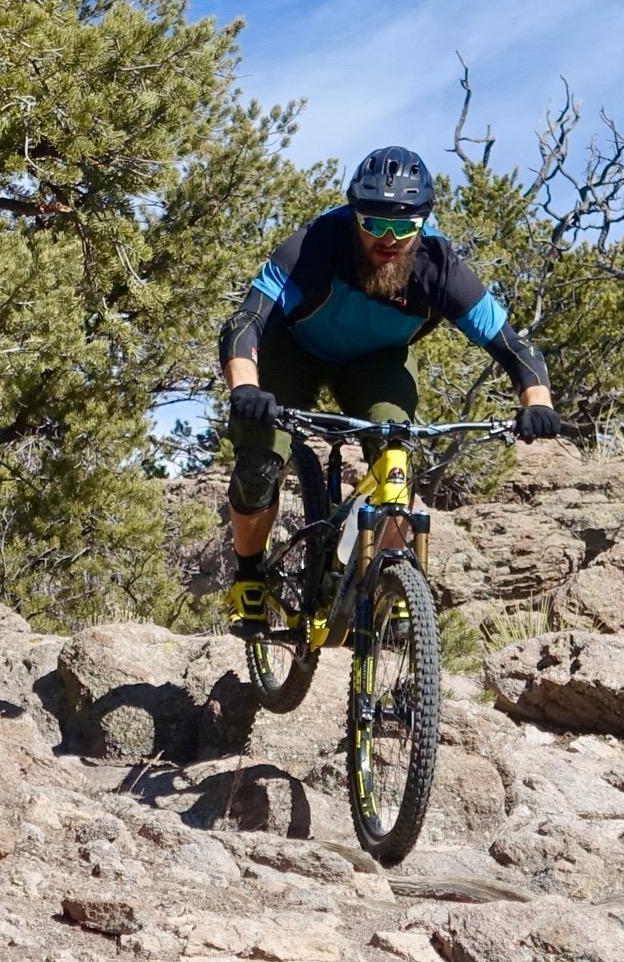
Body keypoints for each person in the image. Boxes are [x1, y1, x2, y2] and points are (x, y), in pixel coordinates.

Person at [218, 144, 560, 632]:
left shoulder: (440, 269)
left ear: (424, 223)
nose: (389, 239)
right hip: (292, 350)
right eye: (374, 224)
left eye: (404, 227)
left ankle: (394, 581)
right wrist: (246, 388)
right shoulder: (313, 246)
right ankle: (249, 577)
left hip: (376, 362)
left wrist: (537, 403)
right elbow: (246, 320)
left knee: (395, 452)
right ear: (353, 214)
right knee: (258, 463)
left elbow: (513, 346)